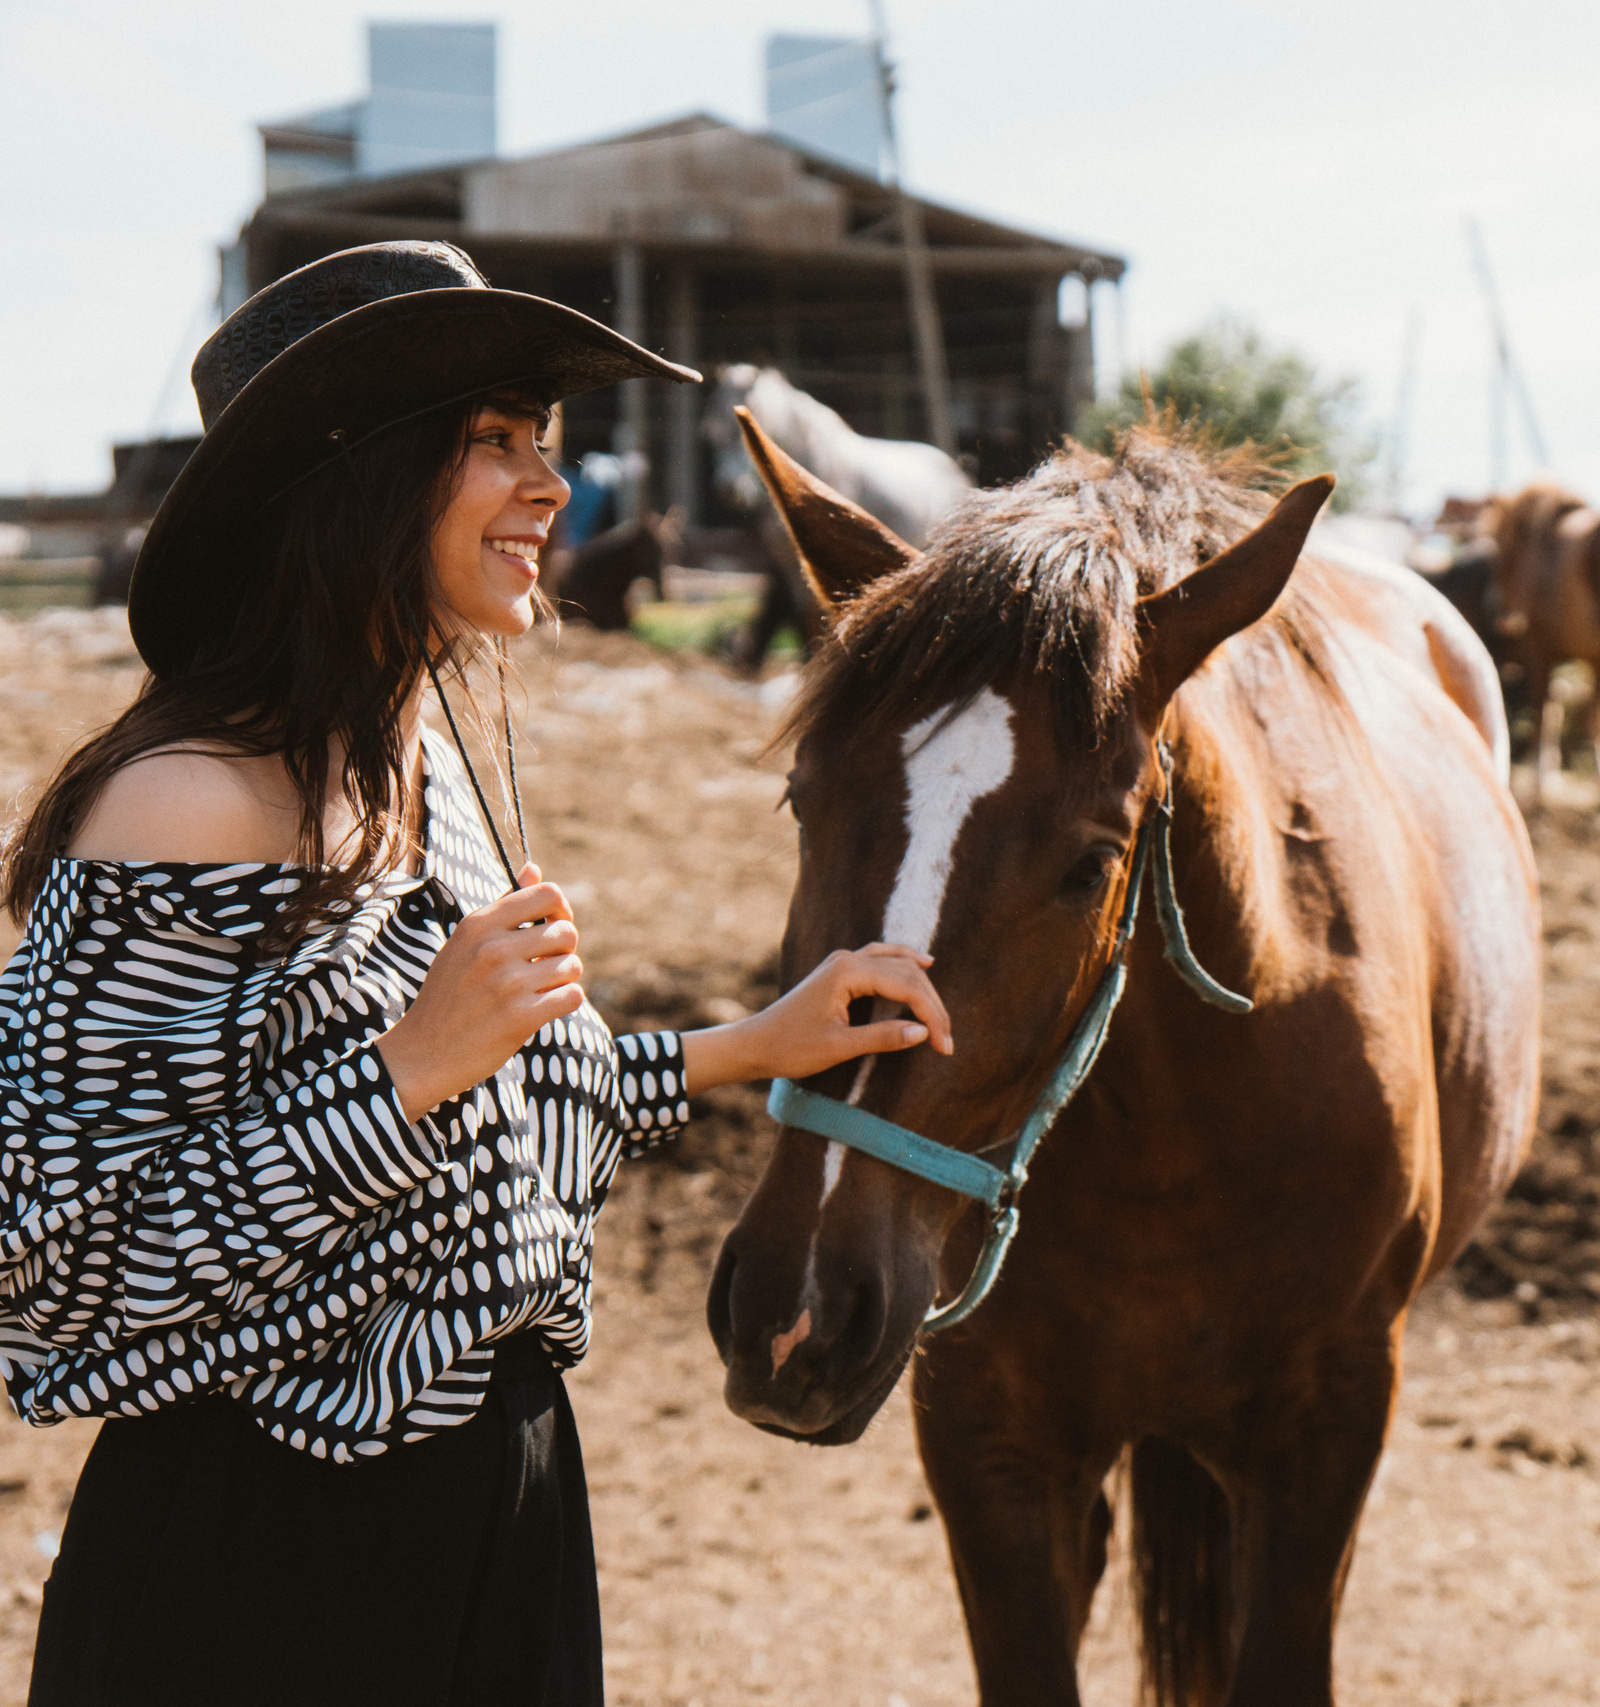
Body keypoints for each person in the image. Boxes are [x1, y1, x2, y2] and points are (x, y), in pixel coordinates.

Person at [0, 242, 950, 1706]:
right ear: (356, 480)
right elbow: (50, 1268)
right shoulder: (181, 804)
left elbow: (500, 1097)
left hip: (509, 1494)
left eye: (545, 445)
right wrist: (400, 1080)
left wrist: (742, 1049)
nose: (550, 488)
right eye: (493, 442)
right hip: (259, 1555)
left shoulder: (422, 763)